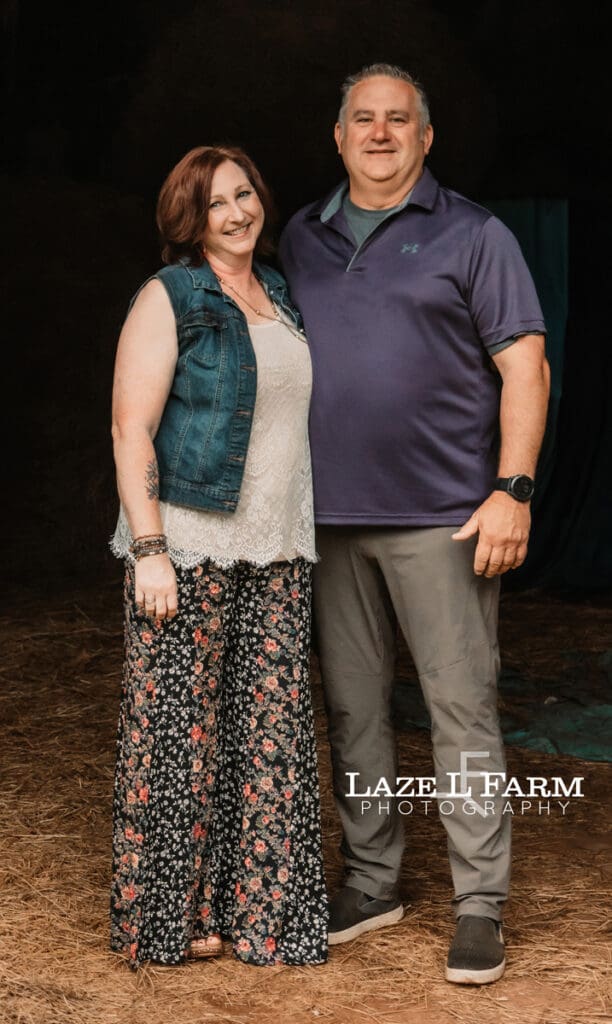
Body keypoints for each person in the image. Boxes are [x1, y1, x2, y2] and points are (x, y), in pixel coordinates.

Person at [279, 63, 550, 984]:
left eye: (401, 120)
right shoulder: (300, 238)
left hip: (446, 518)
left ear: (426, 139)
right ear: (339, 134)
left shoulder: (475, 233)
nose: (382, 133)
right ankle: (372, 879)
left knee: (459, 707)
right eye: (366, 118)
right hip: (328, 517)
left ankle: (480, 901)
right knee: (354, 708)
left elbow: (525, 366)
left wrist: (512, 488)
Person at [109, 144, 327, 968]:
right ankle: (170, 920)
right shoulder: (170, 296)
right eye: (215, 205)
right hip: (189, 547)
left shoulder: (278, 294)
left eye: (243, 194)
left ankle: (260, 918)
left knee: (267, 742)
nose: (236, 213)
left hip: (276, 549)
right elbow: (131, 428)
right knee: (178, 738)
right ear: (189, 222)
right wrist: (151, 549)